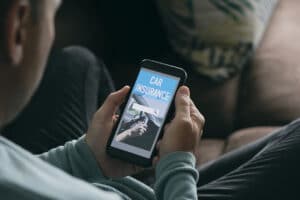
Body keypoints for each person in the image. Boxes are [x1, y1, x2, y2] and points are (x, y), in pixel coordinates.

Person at [0, 1, 300, 200]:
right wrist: (177, 164)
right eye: (53, 14)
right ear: (18, 27)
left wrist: (85, 156)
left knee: (77, 62)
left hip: (106, 184)